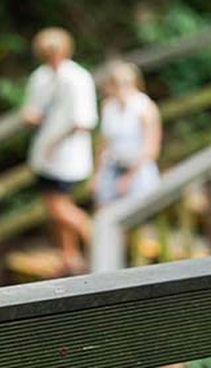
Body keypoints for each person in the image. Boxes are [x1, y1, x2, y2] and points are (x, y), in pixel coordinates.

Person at [21, 27, 98, 275]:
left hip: (68, 155)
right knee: (56, 205)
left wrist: (56, 142)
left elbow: (83, 120)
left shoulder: (78, 77)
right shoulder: (40, 77)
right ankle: (70, 256)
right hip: (44, 153)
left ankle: (97, 237)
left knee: (59, 207)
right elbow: (33, 109)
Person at [93, 60, 162, 208]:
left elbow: (151, 149)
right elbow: (104, 142)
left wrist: (129, 177)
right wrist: (97, 174)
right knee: (104, 212)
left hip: (139, 171)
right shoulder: (108, 106)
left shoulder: (145, 108)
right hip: (112, 168)